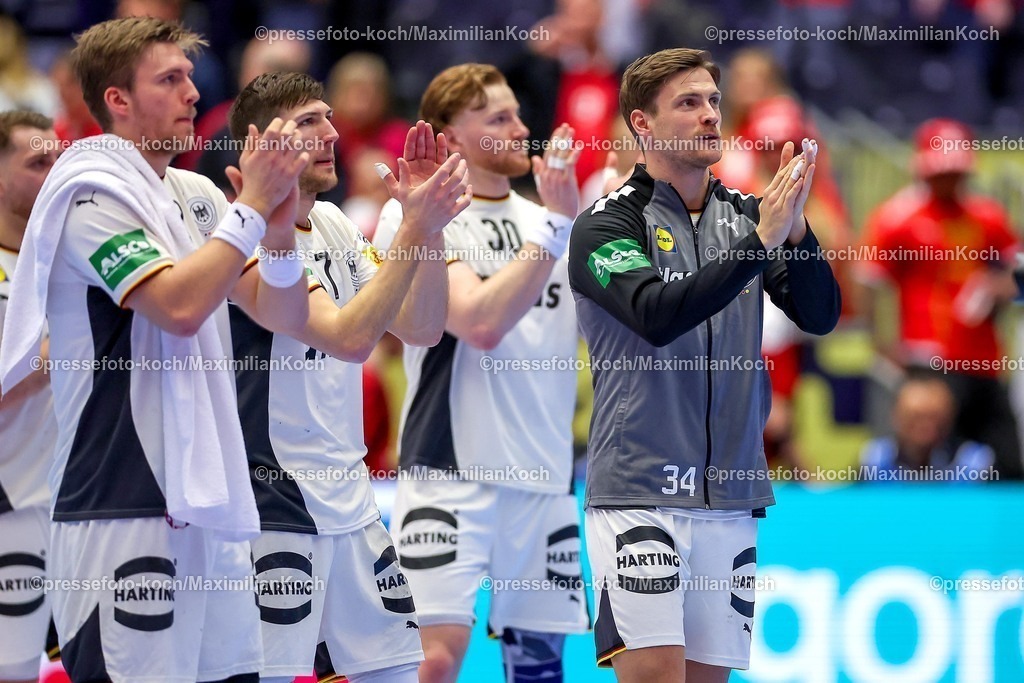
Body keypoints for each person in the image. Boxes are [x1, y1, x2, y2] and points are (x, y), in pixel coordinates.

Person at [0, 16, 312, 683]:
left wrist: (279, 232)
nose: (193, 94)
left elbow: (285, 313)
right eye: (169, 80)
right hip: (119, 500)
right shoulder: (88, 192)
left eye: (191, 77)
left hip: (206, 501)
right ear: (118, 101)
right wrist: (253, 205)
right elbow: (176, 306)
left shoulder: (199, 196)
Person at [568, 48, 841, 682]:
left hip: (732, 492)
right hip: (639, 489)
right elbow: (657, 315)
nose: (709, 115)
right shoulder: (607, 224)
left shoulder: (749, 217)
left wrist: (797, 235)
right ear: (643, 125)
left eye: (714, 101)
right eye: (688, 104)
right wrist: (761, 243)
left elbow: (821, 316)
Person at [226, 71, 469, 683]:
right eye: (309, 122)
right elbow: (351, 337)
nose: (331, 132)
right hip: (273, 497)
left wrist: (429, 230)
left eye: (328, 117)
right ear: (262, 141)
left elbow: (423, 327)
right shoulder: (240, 235)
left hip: (351, 498)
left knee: (393, 672)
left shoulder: (332, 222)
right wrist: (411, 227)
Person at [374, 63, 590, 683]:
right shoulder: (416, 218)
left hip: (544, 476)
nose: (521, 129)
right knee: (432, 663)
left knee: (540, 669)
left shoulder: (556, 220)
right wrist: (555, 226)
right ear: (449, 136)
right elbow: (477, 321)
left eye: (519, 114)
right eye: (498, 118)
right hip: (450, 472)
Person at [858, 118, 1022, 479]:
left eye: (956, 172)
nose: (949, 181)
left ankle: (1003, 535)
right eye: (941, 172)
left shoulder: (987, 216)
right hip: (929, 365)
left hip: (986, 361)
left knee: (1008, 465)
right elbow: (871, 283)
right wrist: (882, 346)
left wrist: (998, 286)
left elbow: (1017, 273)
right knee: (934, 463)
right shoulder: (898, 218)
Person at [0, 111, 60, 683]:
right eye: (37, 162)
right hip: (10, 501)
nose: (54, 174)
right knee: (13, 671)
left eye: (58, 160)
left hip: (80, 502)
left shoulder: (71, 260)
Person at [860, 376, 995, 480]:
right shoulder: (875, 461)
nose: (925, 426)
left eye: (934, 417)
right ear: (896, 417)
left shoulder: (976, 464)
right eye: (915, 417)